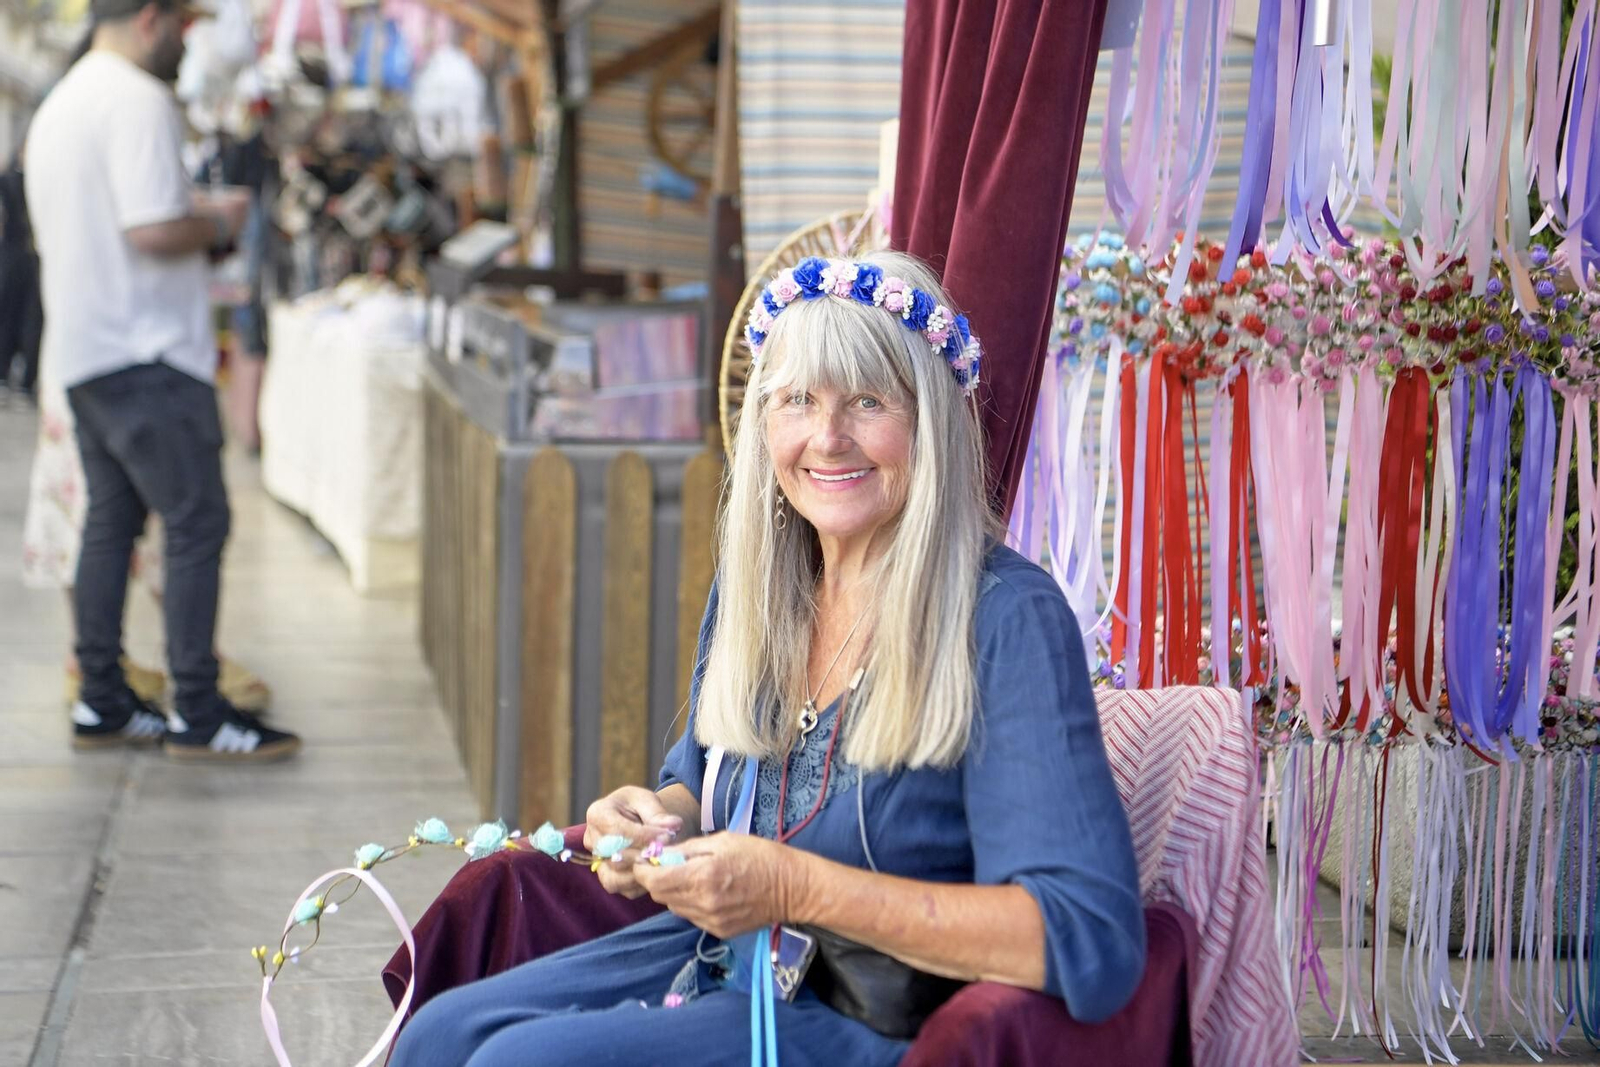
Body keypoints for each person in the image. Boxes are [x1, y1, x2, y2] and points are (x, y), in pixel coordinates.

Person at [388, 251, 1146, 1066]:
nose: (828, 438)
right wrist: (650, 819)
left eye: (867, 401)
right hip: (726, 964)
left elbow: (1087, 939)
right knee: (440, 1032)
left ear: (930, 421)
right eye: (797, 401)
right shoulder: (764, 586)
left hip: (861, 1013)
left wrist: (793, 887)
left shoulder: (1004, 617)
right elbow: (704, 781)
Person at [26, 0, 298, 760]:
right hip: (146, 352)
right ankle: (200, 710)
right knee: (195, 524)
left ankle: (103, 699)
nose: (189, 39)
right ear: (151, 18)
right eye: (184, 24)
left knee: (111, 524)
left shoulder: (66, 99)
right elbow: (150, 226)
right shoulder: (138, 99)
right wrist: (219, 222)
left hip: (87, 351)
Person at [0, 146, 42, 403]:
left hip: (26, 256)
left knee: (30, 319)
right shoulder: (10, 180)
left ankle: (23, 378)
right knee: (14, 315)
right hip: (19, 255)